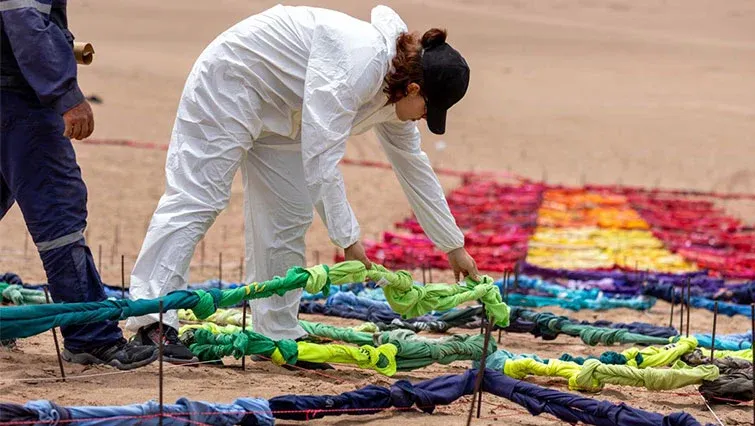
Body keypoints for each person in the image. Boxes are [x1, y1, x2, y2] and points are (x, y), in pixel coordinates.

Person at [126, 4, 481, 366]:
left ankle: (276, 332)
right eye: (427, 110)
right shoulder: (359, 63)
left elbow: (413, 167)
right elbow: (322, 157)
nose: (422, 119)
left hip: (287, 113)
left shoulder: (396, 94)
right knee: (200, 198)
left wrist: (453, 246)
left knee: (289, 215)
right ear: (414, 88)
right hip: (233, 80)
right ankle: (152, 320)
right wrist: (349, 240)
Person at [0, 0, 158, 369]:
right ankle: (91, 336)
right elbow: (24, 21)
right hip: (19, 100)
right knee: (59, 218)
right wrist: (65, 94)